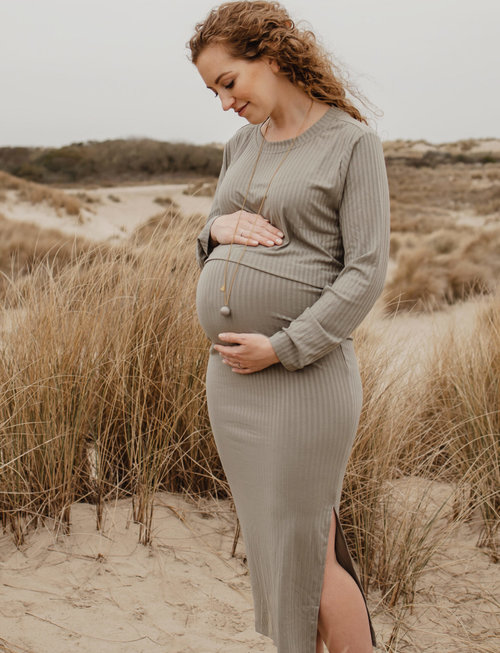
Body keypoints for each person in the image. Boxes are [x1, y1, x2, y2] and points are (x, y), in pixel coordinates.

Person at [188, 2, 390, 651]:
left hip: (305, 380)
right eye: (213, 90)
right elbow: (212, 233)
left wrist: (283, 346)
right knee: (277, 549)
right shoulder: (240, 146)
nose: (224, 102)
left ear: (270, 57)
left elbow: (365, 272)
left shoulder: (351, 143)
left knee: (310, 548)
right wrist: (214, 228)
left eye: (228, 82)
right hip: (234, 384)